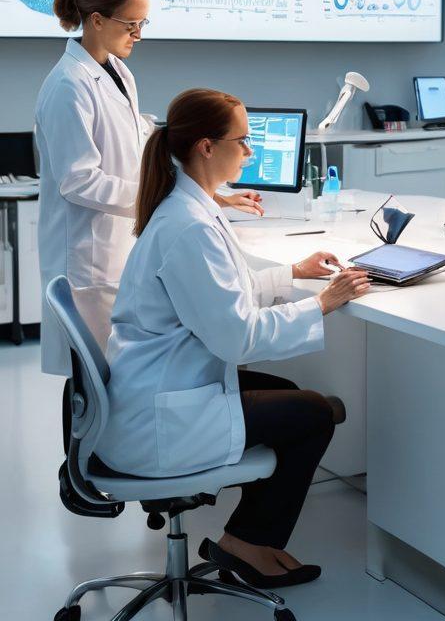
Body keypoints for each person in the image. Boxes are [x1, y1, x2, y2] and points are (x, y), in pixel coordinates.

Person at [96, 88, 370, 586]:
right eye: (242, 140)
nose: (249, 150)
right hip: (158, 419)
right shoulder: (189, 225)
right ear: (206, 147)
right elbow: (237, 336)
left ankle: (249, 538)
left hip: (159, 388)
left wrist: (291, 272)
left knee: (288, 394)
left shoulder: (190, 208)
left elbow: (221, 295)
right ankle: (246, 546)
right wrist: (322, 303)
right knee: (313, 413)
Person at [36, 0, 263, 375]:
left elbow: (135, 141)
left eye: (143, 23)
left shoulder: (118, 71)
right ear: (97, 20)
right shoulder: (68, 85)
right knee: (92, 379)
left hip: (118, 247)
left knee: (116, 374)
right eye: (131, 24)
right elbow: (79, 180)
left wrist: (210, 193)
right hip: (89, 259)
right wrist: (159, 199)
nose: (138, 34)